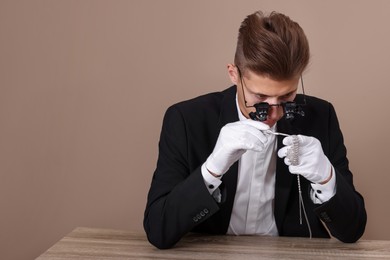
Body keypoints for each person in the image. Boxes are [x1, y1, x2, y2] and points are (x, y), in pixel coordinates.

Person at [143, 10, 367, 249]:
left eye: (287, 96)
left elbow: (352, 231)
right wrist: (212, 170)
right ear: (233, 74)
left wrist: (326, 178)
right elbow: (159, 230)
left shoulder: (321, 117)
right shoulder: (186, 120)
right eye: (260, 96)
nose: (273, 113)